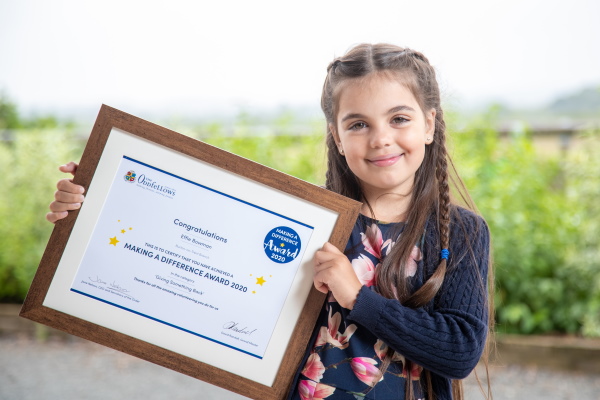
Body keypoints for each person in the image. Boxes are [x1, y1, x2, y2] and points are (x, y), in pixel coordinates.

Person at [47, 43, 493, 400]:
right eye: (357, 124)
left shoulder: (462, 232)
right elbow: (202, 260)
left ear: (430, 124)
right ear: (336, 137)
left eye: (399, 118)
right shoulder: (305, 224)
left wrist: (357, 295)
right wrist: (96, 208)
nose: (380, 139)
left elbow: (459, 352)